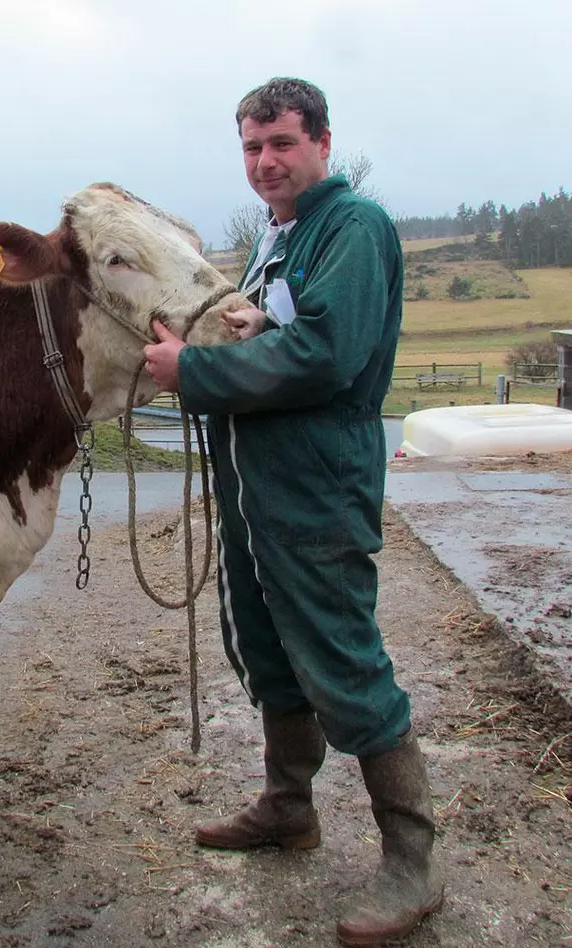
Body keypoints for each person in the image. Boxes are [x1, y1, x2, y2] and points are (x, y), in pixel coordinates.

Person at [143, 76, 443, 946]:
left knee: (341, 658)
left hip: (315, 484)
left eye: (280, 143)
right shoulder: (276, 238)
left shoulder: (354, 228)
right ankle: (287, 808)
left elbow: (324, 353)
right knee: (267, 649)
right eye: (250, 147)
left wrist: (192, 376)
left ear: (320, 141)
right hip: (253, 482)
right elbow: (258, 333)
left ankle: (413, 860)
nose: (265, 162)